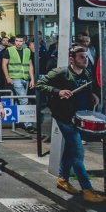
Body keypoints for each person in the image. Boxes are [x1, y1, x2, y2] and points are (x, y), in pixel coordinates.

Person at [36, 46, 105, 203]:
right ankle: (87, 189)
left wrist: (92, 95)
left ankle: (63, 179)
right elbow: (40, 84)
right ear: (72, 59)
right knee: (78, 153)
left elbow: (88, 89)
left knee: (70, 149)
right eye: (81, 57)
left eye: (86, 57)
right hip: (65, 117)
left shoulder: (86, 73)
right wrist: (58, 91)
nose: (85, 60)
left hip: (79, 117)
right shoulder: (61, 73)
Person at [2, 35, 36, 133]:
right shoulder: (9, 50)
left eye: (20, 41)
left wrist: (32, 79)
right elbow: (4, 64)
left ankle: (18, 121)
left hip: (25, 78)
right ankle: (28, 124)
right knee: (24, 99)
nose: (18, 43)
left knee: (19, 100)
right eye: (16, 41)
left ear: (24, 42)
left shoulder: (27, 51)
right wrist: (8, 77)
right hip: (15, 78)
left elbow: (30, 66)